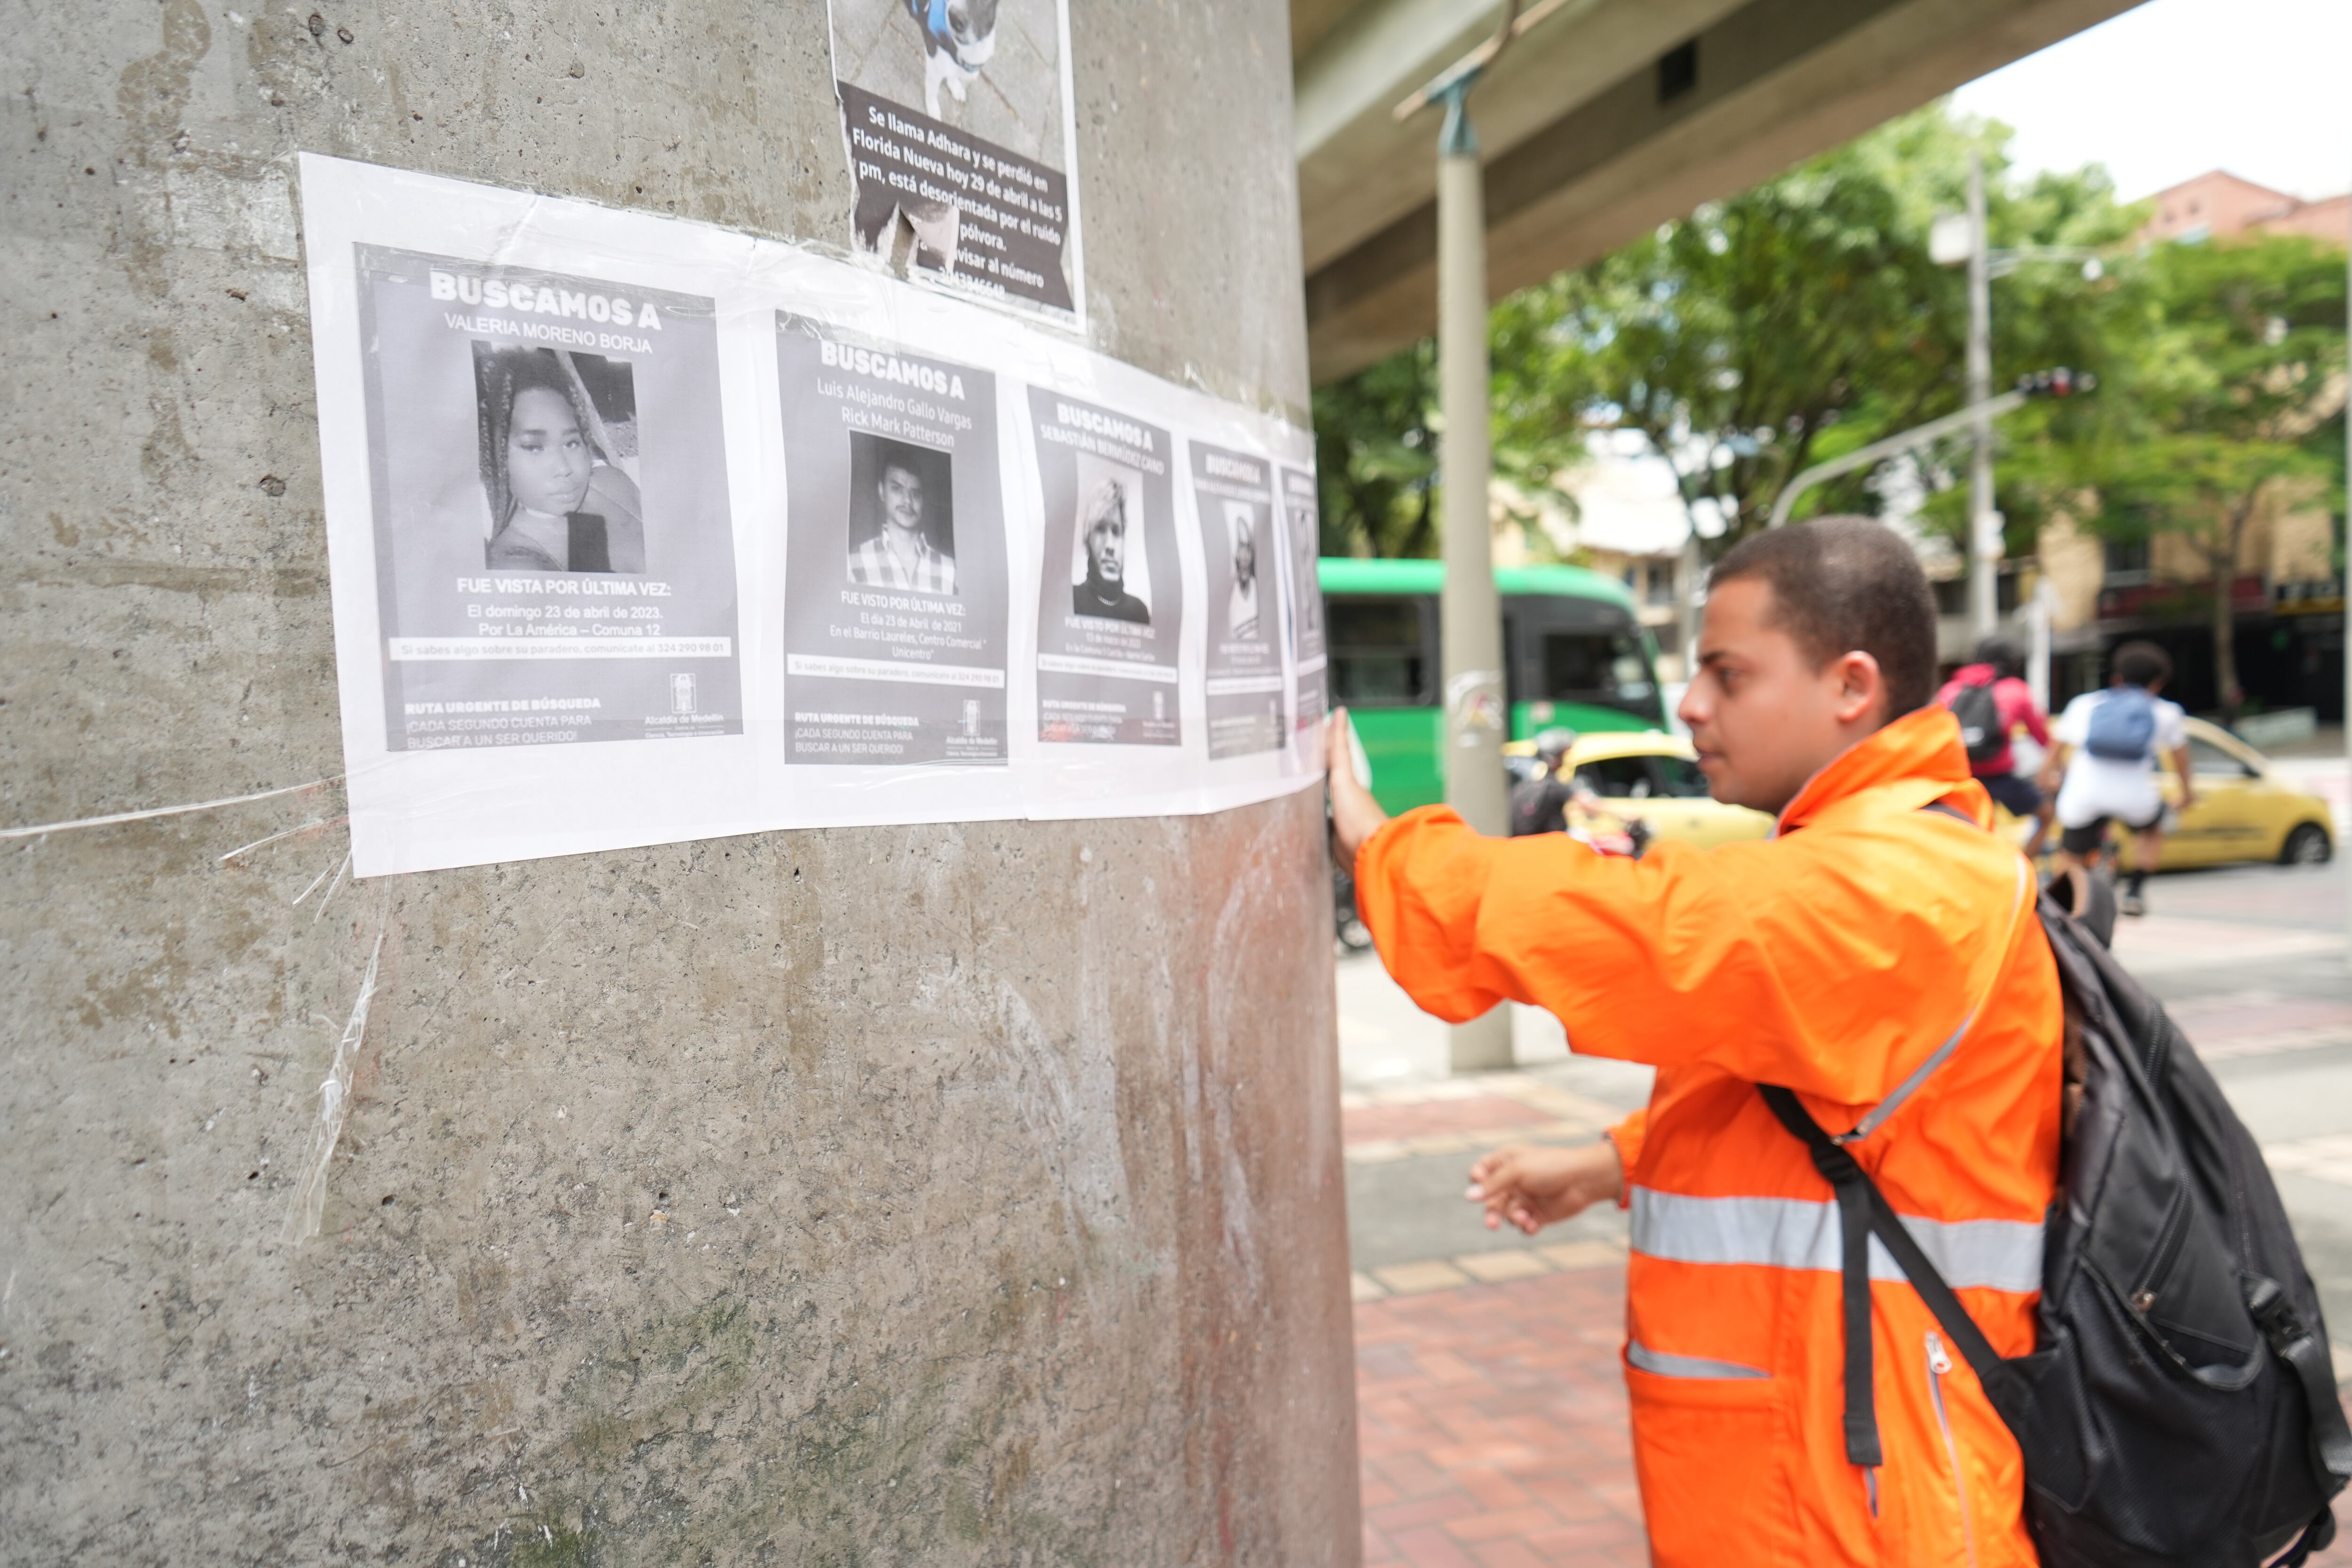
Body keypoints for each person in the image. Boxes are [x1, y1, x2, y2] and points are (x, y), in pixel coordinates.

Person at [1327, 517, 2058, 1568]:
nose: (1690, 704)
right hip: (1838, 1468)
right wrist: (1618, 1162)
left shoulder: (1897, 883)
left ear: (1851, 685)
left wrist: (1385, 851)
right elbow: (1835, 1113)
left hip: (1868, 1504)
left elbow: (1650, 927)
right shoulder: (1891, 855)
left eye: (1728, 672)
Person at [2042, 640, 2192, 918]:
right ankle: (2135, 892)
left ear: (2117, 677)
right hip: (2135, 800)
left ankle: (2063, 906)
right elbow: (2181, 761)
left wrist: (2048, 777)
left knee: (2071, 852)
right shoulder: (2165, 712)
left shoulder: (2085, 704)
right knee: (2153, 828)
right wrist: (2186, 794)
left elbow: (2055, 750)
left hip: (2084, 796)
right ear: (2158, 682)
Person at [480, 349, 645, 574]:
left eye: (571, 443)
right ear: (497, 458)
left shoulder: (612, 482)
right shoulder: (519, 564)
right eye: (534, 448)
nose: (564, 468)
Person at [1936, 635, 2054, 857]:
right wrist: (2048, 772)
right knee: (2047, 815)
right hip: (2001, 778)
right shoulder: (2016, 690)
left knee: (1966, 832)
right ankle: (2023, 867)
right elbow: (2044, 738)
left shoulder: (1950, 690)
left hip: (1962, 779)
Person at [848, 453, 957, 595]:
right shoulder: (855, 562)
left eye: (916, 494)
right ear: (882, 491)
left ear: (924, 500)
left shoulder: (950, 570)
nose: (908, 501)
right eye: (897, 489)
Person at [1070, 478, 1149, 622]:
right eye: (1100, 529)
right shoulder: (1072, 600)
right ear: (1088, 540)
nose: (1110, 546)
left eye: (1116, 532)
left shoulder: (1139, 613)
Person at [1507, 728, 1582, 837]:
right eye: (1564, 755)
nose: (1566, 760)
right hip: (1549, 841)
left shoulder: (1525, 781)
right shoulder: (1553, 785)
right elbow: (1586, 804)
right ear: (1555, 757)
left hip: (1524, 840)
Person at [1227, 512, 1261, 638]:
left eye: (1248, 548)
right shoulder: (1229, 596)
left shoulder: (1260, 591)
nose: (1246, 556)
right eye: (1241, 547)